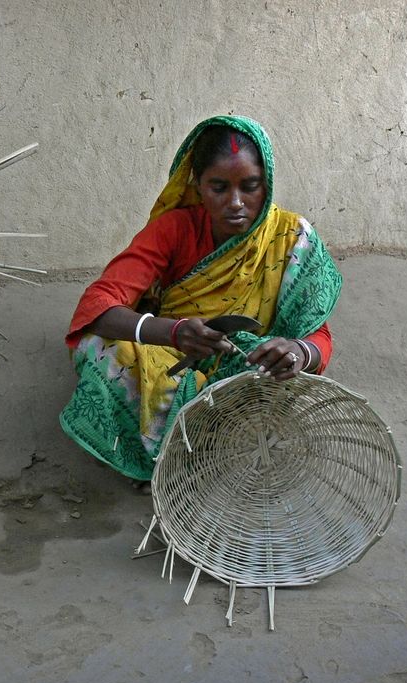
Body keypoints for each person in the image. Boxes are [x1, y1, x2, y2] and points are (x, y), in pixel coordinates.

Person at [60, 115, 342, 484]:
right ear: (198, 185)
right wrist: (172, 332)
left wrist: (296, 352)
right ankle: (165, 461)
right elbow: (97, 306)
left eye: (251, 186)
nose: (236, 203)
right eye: (219, 188)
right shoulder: (175, 228)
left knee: (265, 382)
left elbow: (318, 335)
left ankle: (211, 450)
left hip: (245, 367)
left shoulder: (292, 239)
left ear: (267, 184)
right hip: (171, 356)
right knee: (105, 349)